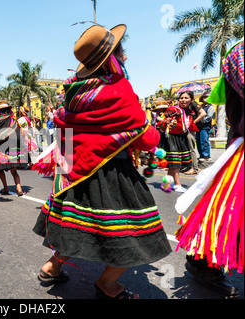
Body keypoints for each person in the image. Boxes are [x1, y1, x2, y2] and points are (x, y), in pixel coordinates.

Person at [33, 24, 171, 299]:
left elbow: (67, 132)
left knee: (76, 224)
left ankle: (52, 267)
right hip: (112, 172)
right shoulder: (118, 89)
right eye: (122, 52)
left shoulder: (73, 91)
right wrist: (153, 134)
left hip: (76, 170)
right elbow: (144, 137)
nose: (126, 57)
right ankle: (107, 284)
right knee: (131, 232)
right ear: (112, 58)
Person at [175, 39, 243, 298]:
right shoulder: (240, 51)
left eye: (185, 97)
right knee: (229, 210)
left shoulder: (193, 106)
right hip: (241, 147)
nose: (184, 99)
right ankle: (202, 261)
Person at [0, 100, 27, 196]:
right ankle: (19, 188)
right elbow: (19, 135)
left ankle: (5, 188)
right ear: (8, 110)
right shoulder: (13, 120)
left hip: (1, 149)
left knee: (0, 169)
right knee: (14, 171)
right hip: (13, 149)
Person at [158, 92, 195, 192]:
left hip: (181, 137)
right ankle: (178, 185)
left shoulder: (189, 112)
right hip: (171, 137)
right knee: (175, 163)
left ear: (191, 100)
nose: (183, 100)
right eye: (181, 98)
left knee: (173, 163)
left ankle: (166, 184)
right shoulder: (173, 109)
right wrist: (167, 121)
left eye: (186, 98)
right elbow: (162, 120)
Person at [196, 91, 214, 163]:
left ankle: (206, 155)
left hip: (205, 126)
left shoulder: (210, 106)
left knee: (204, 141)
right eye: (205, 97)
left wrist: (200, 120)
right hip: (198, 127)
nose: (206, 98)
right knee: (198, 141)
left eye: (207, 97)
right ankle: (201, 155)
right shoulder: (200, 106)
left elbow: (209, 117)